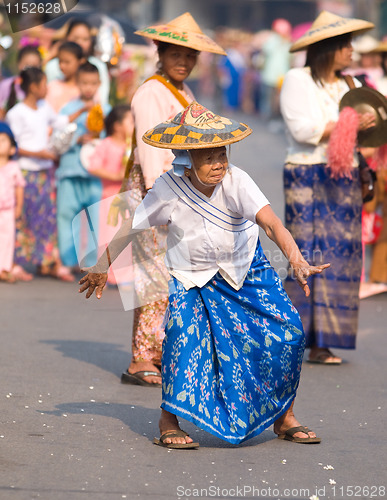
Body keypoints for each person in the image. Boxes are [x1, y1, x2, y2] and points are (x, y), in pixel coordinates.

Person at [79, 101, 329, 448]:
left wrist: (296, 257)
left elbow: (271, 223)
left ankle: (284, 416)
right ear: (187, 159)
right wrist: (103, 265)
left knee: (288, 332)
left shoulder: (238, 181)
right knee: (183, 339)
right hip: (191, 277)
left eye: (222, 154)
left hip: (245, 269)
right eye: (208, 157)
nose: (218, 164)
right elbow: (130, 227)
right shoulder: (168, 188)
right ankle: (169, 420)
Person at [117, 12, 226, 387]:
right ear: (160, 51)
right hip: (158, 191)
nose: (184, 60)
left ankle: (161, 350)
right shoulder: (151, 92)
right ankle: (142, 356)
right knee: (153, 275)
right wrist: (159, 198)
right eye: (176, 52)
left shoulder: (183, 92)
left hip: (181, 191)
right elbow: (150, 152)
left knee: (173, 274)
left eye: (190, 55)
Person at [279, 11, 375, 364]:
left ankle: (325, 342)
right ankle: (295, 334)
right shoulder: (297, 79)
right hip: (306, 176)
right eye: (345, 44)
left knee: (342, 259)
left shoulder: (350, 85)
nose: (352, 51)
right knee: (305, 253)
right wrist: (348, 123)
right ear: (328, 48)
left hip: (344, 175)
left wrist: (361, 126)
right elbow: (303, 131)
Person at [5, 67, 74, 281]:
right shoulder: (16, 113)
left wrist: (84, 110)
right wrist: (39, 153)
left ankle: (48, 262)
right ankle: (14, 262)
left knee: (46, 218)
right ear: (34, 87)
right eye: (44, 84)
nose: (47, 88)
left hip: (45, 172)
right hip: (25, 172)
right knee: (22, 217)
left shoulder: (44, 108)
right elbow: (12, 145)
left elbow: (61, 122)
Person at [56, 62, 111, 276]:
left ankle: (92, 262)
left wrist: (98, 138)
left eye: (92, 83)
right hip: (70, 170)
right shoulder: (68, 109)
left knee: (95, 218)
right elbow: (58, 137)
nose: (88, 88)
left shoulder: (105, 110)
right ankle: (67, 261)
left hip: (95, 173)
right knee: (67, 215)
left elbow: (112, 139)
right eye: (84, 83)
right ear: (77, 84)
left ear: (99, 84)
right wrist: (77, 138)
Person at [87, 104, 133, 285]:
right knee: (108, 236)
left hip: (128, 197)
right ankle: (103, 274)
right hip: (110, 197)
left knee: (126, 236)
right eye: (130, 121)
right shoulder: (106, 144)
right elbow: (93, 166)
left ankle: (125, 275)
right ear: (117, 125)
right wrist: (114, 175)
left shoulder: (132, 145)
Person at [45, 19, 110, 107]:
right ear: (66, 38)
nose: (80, 43)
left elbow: (102, 101)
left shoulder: (99, 66)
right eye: (75, 38)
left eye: (85, 39)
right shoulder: (52, 66)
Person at [0, 122, 25, 283]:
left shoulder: (14, 167)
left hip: (8, 211)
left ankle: (5, 268)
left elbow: (20, 187)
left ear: (12, 149)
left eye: (2, 140)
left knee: (7, 240)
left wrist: (19, 207)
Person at [0, 44, 42, 118]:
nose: (30, 70)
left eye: (35, 66)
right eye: (27, 65)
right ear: (19, 64)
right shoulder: (6, 85)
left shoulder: (42, 88)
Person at [46, 41, 84, 112]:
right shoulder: (53, 86)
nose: (62, 66)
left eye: (67, 62)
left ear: (80, 62)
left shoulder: (86, 88)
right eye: (60, 61)